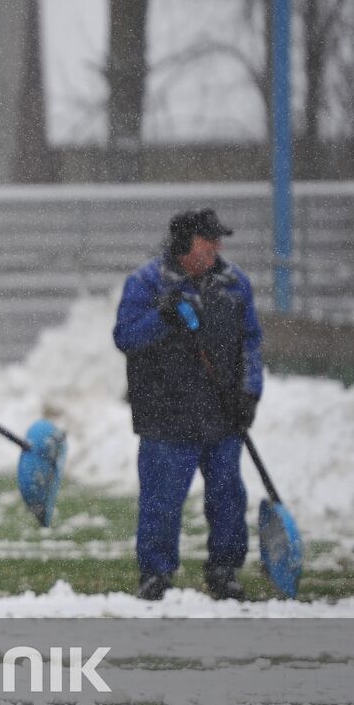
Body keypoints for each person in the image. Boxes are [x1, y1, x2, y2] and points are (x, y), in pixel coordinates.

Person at [112, 208, 263, 602]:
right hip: (165, 413)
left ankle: (225, 570)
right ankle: (156, 574)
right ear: (183, 244)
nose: (216, 249)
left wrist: (250, 393)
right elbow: (126, 337)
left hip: (222, 412)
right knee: (161, 500)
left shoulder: (235, 285)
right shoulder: (146, 283)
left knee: (228, 496)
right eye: (207, 241)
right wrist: (163, 317)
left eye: (218, 241)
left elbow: (251, 342)